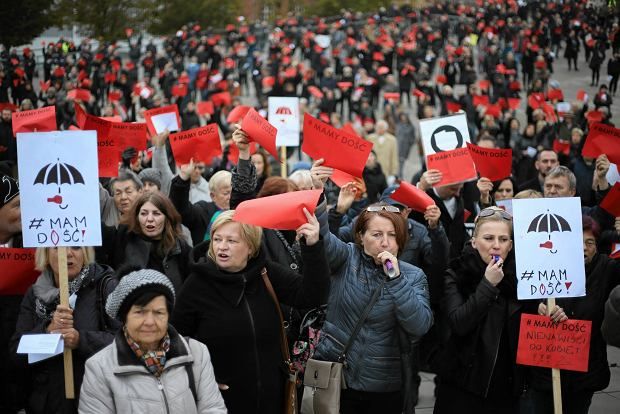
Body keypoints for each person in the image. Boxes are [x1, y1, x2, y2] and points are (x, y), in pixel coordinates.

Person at [172, 209, 330, 413]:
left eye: (231, 241)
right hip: (223, 403)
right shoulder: (197, 284)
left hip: (271, 399)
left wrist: (313, 247)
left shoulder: (266, 273)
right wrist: (199, 381)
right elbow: (175, 340)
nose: (222, 246)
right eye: (217, 239)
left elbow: (313, 296)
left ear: (250, 246)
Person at [310, 160, 433, 414]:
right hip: (338, 378)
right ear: (360, 236)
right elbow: (322, 240)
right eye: (376, 235)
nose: (385, 242)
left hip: (383, 387)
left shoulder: (413, 276)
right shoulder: (346, 257)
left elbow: (420, 326)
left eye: (392, 235)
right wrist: (318, 194)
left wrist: (396, 280)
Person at [79, 269, 227, 413]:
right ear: (124, 317)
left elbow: (213, 408)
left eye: (159, 312)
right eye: (140, 312)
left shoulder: (197, 352)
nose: (150, 322)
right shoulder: (99, 368)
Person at [522, 216, 620, 414]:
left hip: (585, 371)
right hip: (544, 369)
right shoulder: (545, 263)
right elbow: (521, 294)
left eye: (589, 242)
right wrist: (538, 306)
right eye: (577, 242)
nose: (583, 247)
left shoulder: (606, 269)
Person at [433, 207, 523, 413]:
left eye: (503, 239)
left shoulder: (521, 278)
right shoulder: (456, 272)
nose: (496, 246)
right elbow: (459, 323)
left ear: (511, 245)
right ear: (474, 242)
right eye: (489, 238)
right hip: (463, 386)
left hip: (506, 388)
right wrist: (487, 285)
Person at [10, 246, 119, 414]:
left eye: (76, 247)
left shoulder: (105, 286)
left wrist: (80, 340)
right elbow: (17, 353)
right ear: (45, 254)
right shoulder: (34, 294)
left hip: (95, 401)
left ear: (85, 252)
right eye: (56, 248)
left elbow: (124, 342)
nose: (68, 253)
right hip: (46, 404)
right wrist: (47, 331)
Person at [100, 191, 192, 292]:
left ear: (167, 218)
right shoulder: (122, 237)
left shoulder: (180, 248)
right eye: (144, 213)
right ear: (137, 217)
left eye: (156, 213)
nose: (149, 219)